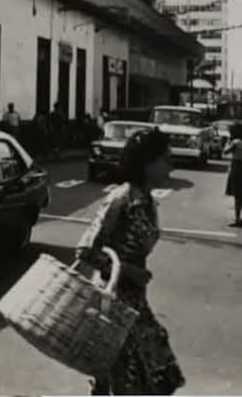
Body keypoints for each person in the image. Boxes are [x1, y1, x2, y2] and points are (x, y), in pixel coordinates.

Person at [75, 127, 185, 395]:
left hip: (135, 303)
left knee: (150, 372)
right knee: (132, 378)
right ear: (147, 164)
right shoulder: (121, 199)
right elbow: (86, 250)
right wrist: (126, 270)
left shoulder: (147, 201)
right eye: (165, 160)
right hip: (112, 302)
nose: (170, 167)